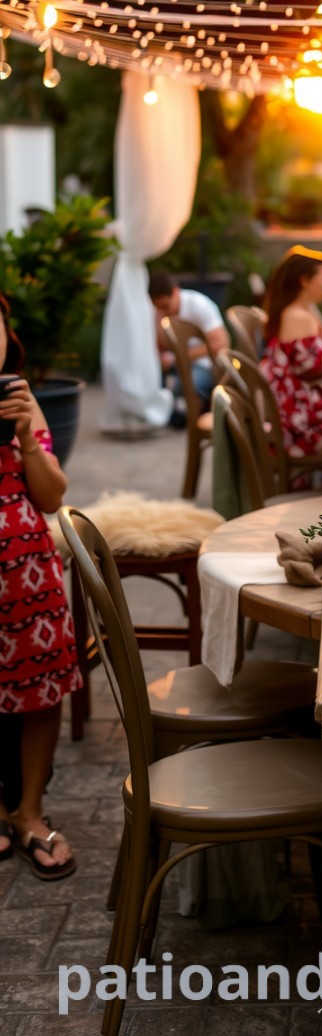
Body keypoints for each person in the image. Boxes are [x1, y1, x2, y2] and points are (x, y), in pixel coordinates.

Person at [0, 293, 80, 880]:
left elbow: (52, 496)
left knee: (43, 687)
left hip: (25, 565)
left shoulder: (18, 397)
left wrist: (27, 435)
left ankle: (29, 811)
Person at [259, 247, 322, 462]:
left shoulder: (297, 310)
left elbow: (313, 348)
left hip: (293, 407)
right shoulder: (297, 316)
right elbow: (310, 367)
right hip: (299, 421)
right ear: (304, 281)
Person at [148, 270, 229, 422]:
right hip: (177, 365)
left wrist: (177, 358)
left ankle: (192, 409)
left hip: (205, 364)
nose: (162, 311)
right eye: (158, 307)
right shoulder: (158, 312)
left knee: (188, 383)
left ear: (175, 292)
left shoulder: (199, 305)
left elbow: (221, 343)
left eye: (165, 306)